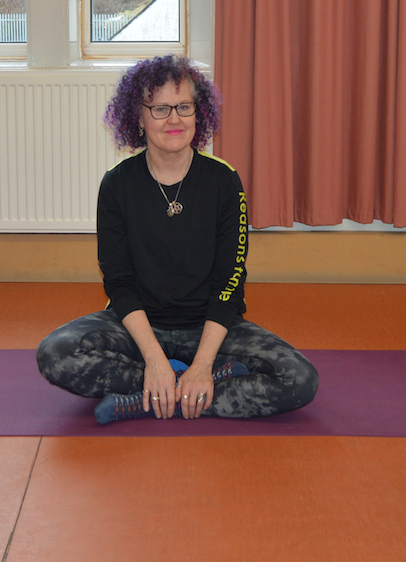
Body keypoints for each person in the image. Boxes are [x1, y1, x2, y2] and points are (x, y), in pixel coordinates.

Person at [36, 55, 318, 424]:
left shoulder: (224, 182)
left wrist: (202, 364)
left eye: (184, 106)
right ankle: (168, 386)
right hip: (137, 331)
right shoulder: (117, 184)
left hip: (209, 330)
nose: (174, 119)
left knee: (300, 380)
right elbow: (118, 282)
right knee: (54, 353)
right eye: (160, 108)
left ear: (198, 114)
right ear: (138, 117)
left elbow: (230, 281)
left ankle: (148, 399)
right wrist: (153, 361)